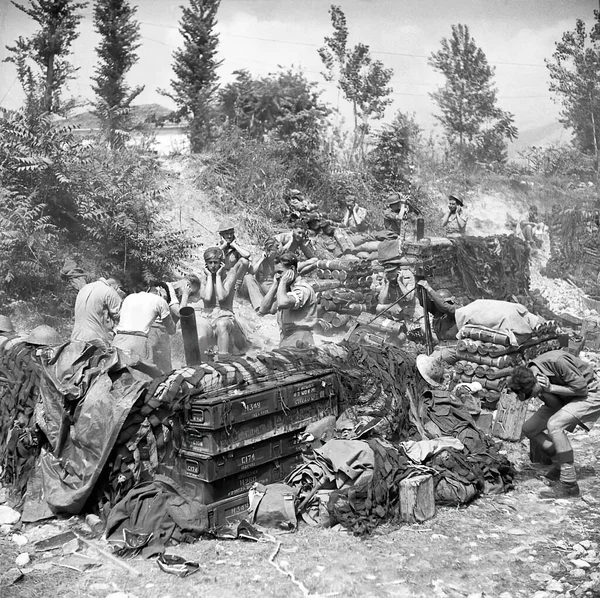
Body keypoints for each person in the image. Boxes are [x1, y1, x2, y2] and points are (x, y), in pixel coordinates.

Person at [507, 350, 600, 498]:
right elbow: (555, 404)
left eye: (535, 394)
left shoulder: (559, 361)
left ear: (536, 381)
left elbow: (582, 389)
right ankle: (559, 465)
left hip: (591, 392)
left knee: (554, 425)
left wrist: (551, 388)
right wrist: (548, 394)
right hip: (564, 397)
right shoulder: (531, 374)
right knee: (529, 429)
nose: (536, 397)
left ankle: (569, 483)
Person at [417, 280, 540, 344]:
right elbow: (424, 303)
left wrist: (429, 288)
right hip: (441, 344)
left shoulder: (456, 311)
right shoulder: (437, 312)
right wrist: (419, 286)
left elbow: (445, 307)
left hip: (453, 347)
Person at [197, 247, 249, 360]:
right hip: (208, 316)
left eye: (216, 262)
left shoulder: (229, 276)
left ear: (221, 263)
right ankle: (202, 360)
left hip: (225, 315)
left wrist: (219, 276)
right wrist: (210, 277)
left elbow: (221, 296)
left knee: (222, 325)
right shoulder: (203, 279)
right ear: (205, 264)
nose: (213, 266)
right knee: (199, 328)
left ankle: (223, 359)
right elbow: (206, 297)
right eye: (210, 263)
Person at [258, 252, 318, 349]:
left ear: (292, 270)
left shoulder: (302, 289)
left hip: (300, 339)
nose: (278, 276)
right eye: (275, 273)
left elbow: (283, 303)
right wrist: (275, 285)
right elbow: (263, 309)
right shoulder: (286, 290)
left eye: (280, 272)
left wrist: (282, 283)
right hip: (287, 338)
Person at [149, 275, 201, 374]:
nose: (190, 295)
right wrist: (185, 295)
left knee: (161, 367)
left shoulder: (165, 288)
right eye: (191, 292)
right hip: (155, 331)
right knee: (162, 369)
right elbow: (180, 313)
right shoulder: (168, 289)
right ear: (187, 285)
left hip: (156, 331)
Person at [113, 286, 176, 364]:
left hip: (119, 339)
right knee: (142, 374)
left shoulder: (129, 297)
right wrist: (165, 300)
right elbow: (171, 330)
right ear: (161, 294)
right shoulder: (160, 300)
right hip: (138, 341)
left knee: (117, 373)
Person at [70, 275, 123, 346]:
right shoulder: (109, 291)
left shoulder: (84, 289)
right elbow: (121, 317)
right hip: (96, 343)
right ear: (117, 287)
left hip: (75, 339)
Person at [240, 238, 279, 312]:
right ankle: (259, 306)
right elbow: (251, 272)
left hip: (272, 289)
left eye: (275, 250)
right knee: (248, 277)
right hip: (260, 287)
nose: (274, 253)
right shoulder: (258, 258)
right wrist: (261, 259)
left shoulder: (277, 260)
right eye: (272, 250)